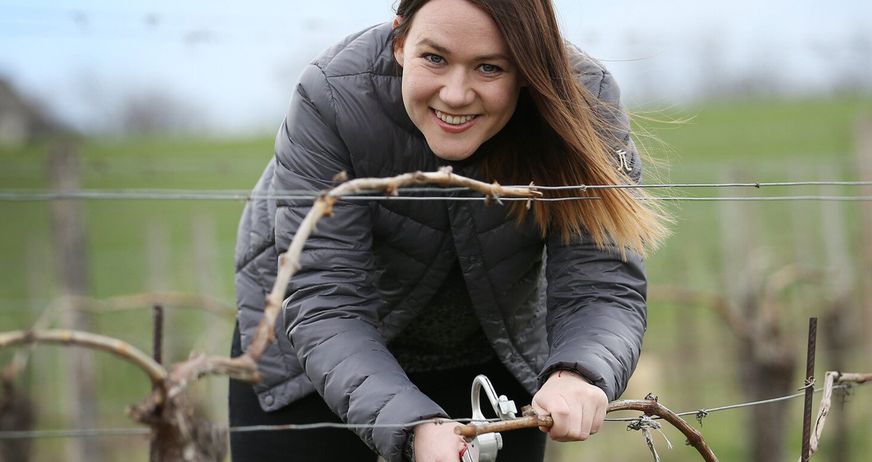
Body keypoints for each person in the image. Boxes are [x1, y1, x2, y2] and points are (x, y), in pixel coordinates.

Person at [230, 0, 668, 460]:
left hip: (490, 355)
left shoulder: (584, 99)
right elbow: (325, 298)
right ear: (400, 40)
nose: (456, 94)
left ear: (527, 66)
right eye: (434, 58)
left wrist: (578, 372)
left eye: (490, 67)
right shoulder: (332, 95)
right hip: (313, 357)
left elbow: (599, 283)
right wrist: (412, 425)